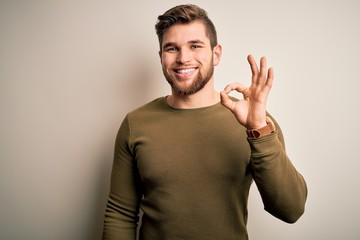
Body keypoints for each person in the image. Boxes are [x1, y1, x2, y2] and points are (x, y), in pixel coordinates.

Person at [102, 4, 307, 240]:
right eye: (172, 48)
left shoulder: (255, 121)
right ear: (161, 57)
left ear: (216, 54)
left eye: (195, 46)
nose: (183, 58)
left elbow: (291, 210)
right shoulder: (135, 123)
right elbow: (120, 214)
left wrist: (258, 128)